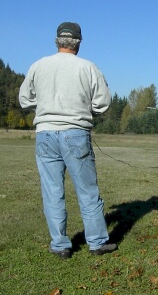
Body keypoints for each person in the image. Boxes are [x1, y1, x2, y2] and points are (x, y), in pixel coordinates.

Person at [19, 22, 117, 259]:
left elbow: (24, 99)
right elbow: (103, 102)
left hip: (45, 133)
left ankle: (60, 245)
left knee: (52, 191)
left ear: (57, 41)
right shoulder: (88, 67)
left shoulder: (39, 65)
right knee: (87, 191)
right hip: (76, 133)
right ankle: (97, 243)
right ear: (79, 42)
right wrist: (85, 109)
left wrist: (43, 106)